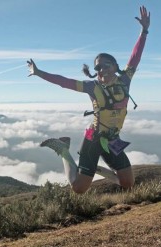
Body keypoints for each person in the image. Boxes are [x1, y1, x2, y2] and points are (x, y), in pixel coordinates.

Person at [27, 6, 150, 193]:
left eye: (105, 65)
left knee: (128, 183)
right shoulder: (92, 87)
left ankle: (94, 169)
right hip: (93, 139)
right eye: (98, 68)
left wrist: (144, 31)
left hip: (113, 140)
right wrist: (38, 73)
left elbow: (135, 57)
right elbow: (64, 82)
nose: (101, 70)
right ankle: (63, 150)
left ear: (115, 66)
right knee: (78, 188)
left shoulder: (125, 80)